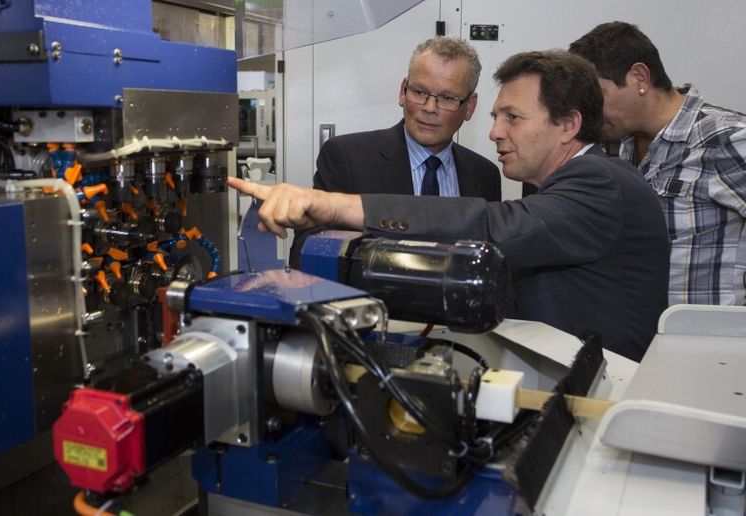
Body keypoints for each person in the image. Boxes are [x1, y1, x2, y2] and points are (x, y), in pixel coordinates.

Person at [230, 50, 669, 362]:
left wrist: (334, 206)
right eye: (497, 116)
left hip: (602, 387)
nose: (495, 132)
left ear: (568, 125)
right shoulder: (562, 183)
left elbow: (494, 229)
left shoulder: (599, 181)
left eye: (512, 118)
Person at [569, 21, 746, 306]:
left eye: (596, 95)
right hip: (632, 340)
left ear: (639, 77)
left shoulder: (727, 140)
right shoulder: (611, 148)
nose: (588, 110)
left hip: (705, 342)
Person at [289, 37, 501, 263]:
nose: (429, 108)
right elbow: (306, 251)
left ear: (470, 107)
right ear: (403, 91)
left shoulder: (485, 174)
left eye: (447, 98)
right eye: (419, 92)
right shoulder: (346, 158)